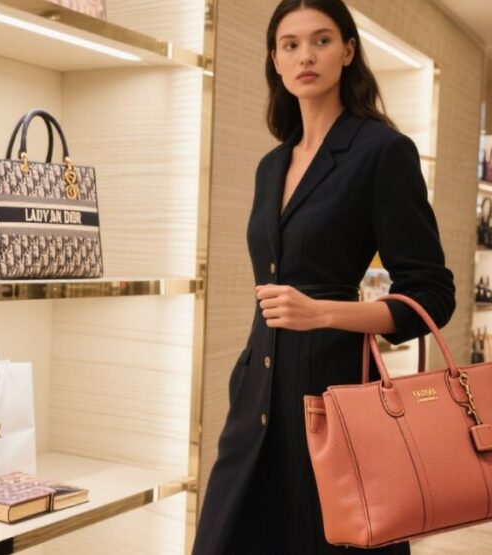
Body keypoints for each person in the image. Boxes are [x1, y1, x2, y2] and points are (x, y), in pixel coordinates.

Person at [191, 0, 456, 553]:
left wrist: (323, 313)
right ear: (275, 60)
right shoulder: (272, 165)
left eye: (322, 40)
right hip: (257, 396)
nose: (305, 55)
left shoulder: (382, 152)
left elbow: (433, 292)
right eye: (290, 44)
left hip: (332, 398)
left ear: (348, 51)